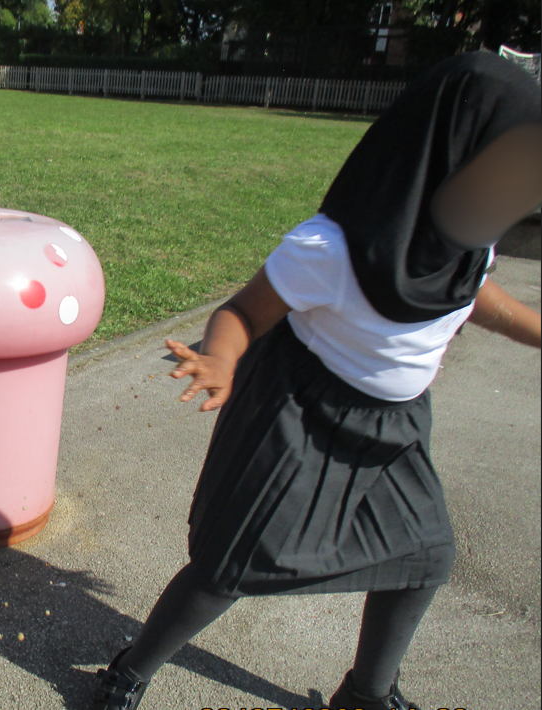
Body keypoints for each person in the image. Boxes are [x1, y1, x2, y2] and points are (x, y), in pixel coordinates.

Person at [91, 52, 542, 710]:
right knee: (229, 565)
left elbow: (473, 296)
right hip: (304, 414)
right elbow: (242, 312)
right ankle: (128, 672)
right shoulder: (329, 247)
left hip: (397, 427)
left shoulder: (466, 243)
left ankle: (366, 692)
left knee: (424, 556)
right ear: (450, 153)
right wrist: (219, 358)